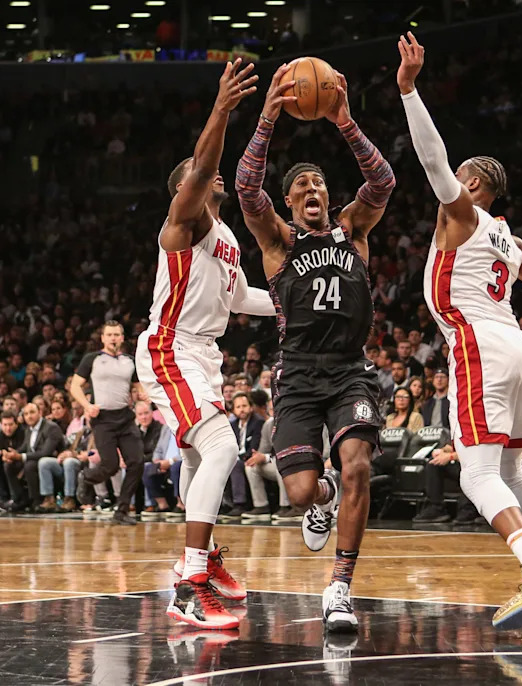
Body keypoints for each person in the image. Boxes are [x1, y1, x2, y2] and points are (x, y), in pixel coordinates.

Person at [397, 32, 522, 630]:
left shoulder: (461, 212)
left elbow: (433, 160)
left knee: (478, 473)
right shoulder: (511, 241)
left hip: (479, 346)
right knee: (511, 472)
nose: (452, 184)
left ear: (475, 187)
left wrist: (410, 91)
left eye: (462, 177)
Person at [235, 58, 395, 633]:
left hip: (351, 371)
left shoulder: (353, 230)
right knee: (301, 490)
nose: (312, 188)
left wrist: (347, 123)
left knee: (358, 466)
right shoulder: (279, 241)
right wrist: (268, 117)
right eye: (301, 184)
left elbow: (384, 183)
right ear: (291, 201)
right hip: (298, 375)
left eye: (319, 182)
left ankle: (339, 589)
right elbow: (247, 188)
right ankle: (320, 500)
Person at [135, 59, 272, 631]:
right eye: (199, 172)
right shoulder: (183, 225)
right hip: (171, 347)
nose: (210, 173)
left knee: (200, 458)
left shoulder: (227, 238)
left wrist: (306, 306)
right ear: (184, 189)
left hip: (204, 354)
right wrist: (221, 110)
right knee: (221, 451)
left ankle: (202, 560)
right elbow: (205, 164)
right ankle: (189, 585)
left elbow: (242, 299)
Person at [71, 321, 146, 525]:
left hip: (125, 418)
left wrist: (143, 395)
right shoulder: (92, 359)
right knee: (110, 466)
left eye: (117, 335)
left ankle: (122, 510)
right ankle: (86, 478)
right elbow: (75, 386)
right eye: (109, 334)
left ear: (122, 338)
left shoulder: (130, 361)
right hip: (103, 419)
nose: (113, 338)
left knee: (137, 462)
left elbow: (139, 387)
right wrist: (87, 405)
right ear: (103, 338)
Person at [229, 392, 265, 520]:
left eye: (244, 405)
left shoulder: (258, 422)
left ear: (251, 407)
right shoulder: (232, 426)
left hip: (251, 458)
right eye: (238, 407)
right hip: (237, 458)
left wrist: (239, 457)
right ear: (233, 410)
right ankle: (225, 504)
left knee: (235, 465)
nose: (242, 409)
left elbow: (255, 446)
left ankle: (240, 504)